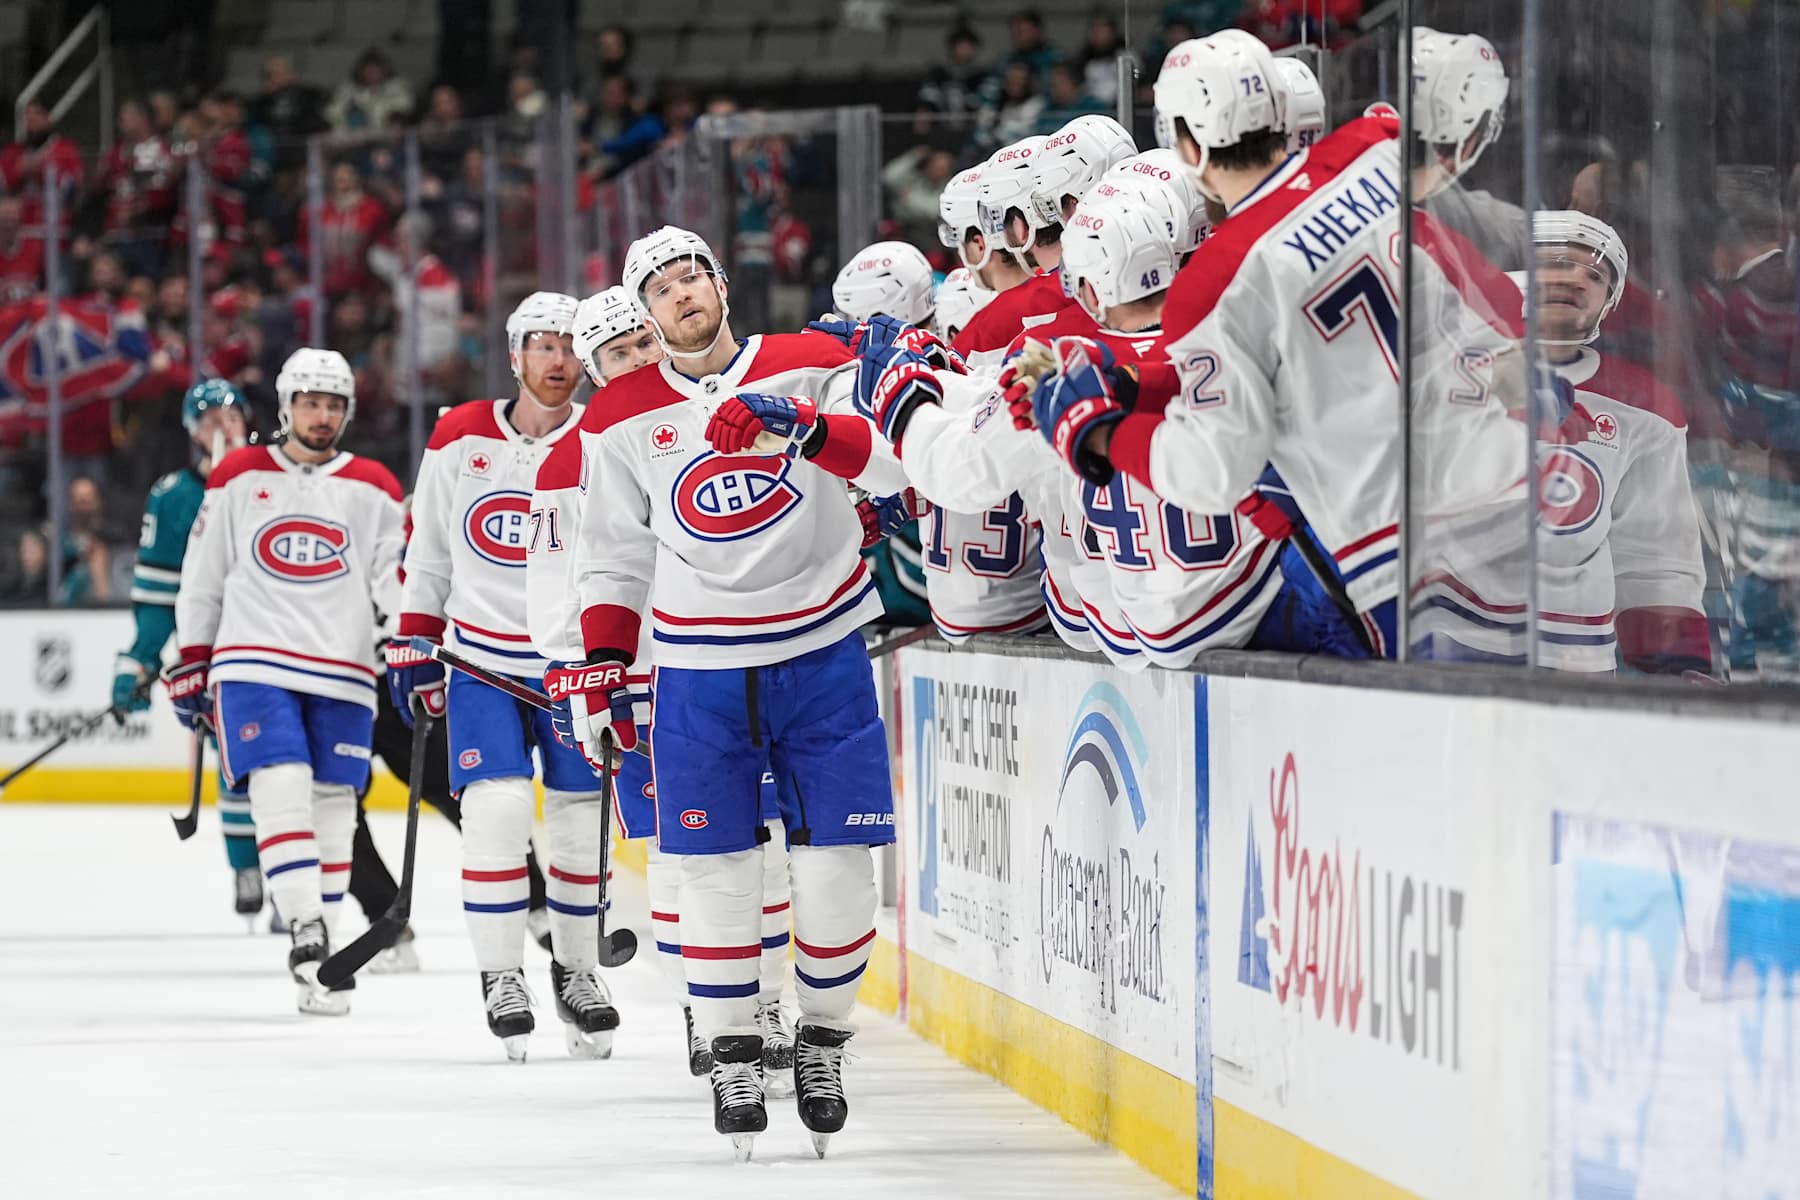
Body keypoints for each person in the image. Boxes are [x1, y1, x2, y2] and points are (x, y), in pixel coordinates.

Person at [547, 228, 904, 1157]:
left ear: (720, 284)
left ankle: (821, 1042)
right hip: (697, 672)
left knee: (834, 871)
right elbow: (614, 557)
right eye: (658, 288)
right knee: (711, 870)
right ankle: (736, 1050)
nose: (680, 295)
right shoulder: (618, 413)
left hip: (822, 649)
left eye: (691, 276)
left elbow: (895, 468)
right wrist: (604, 670)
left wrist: (809, 428)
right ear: (646, 313)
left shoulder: (807, 363)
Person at [1026, 30, 1524, 658]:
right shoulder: (1365, 154)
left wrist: (1099, 435)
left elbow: (1212, 469)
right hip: (1512, 483)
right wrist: (1137, 382)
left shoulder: (1218, 279)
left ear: (1185, 142)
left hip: (1401, 551)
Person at [530, 286, 799, 1083]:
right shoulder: (571, 457)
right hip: (641, 678)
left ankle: (771, 1004)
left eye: (644, 345)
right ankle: (705, 1008)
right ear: (591, 370)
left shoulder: (713, 418)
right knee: (685, 854)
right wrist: (575, 672)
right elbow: (556, 587)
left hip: (735, 658)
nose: (637, 364)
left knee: (773, 845)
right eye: (615, 356)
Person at [387, 292, 618, 1061]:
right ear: (516, 356)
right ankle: (500, 974)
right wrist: (415, 636)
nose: (559, 362)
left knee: (581, 826)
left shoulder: (607, 435)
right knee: (496, 810)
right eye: (543, 347)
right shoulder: (458, 434)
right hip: (480, 662)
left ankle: (579, 972)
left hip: (574, 668)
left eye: (570, 348)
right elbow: (428, 548)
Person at [167, 348, 404, 1015]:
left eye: (334, 404)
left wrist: (415, 632)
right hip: (252, 659)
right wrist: (192, 656)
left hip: (347, 665)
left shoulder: (376, 485)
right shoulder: (239, 472)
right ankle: (305, 927)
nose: (322, 415)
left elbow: (395, 577)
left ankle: (319, 940)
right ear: (286, 406)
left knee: (333, 803)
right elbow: (204, 572)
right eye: (311, 402)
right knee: (280, 783)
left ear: (347, 412)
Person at [1529, 211, 1709, 674]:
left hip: (1575, 662)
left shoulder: (1644, 407)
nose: (1575, 278)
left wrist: (1677, 670)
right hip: (1447, 647)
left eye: (1595, 275)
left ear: (1609, 305)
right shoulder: (1443, 374)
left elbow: (1655, 558)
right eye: (1555, 262)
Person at [114, 380, 262, 918]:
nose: (221, 425)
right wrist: (140, 660)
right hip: (220, 653)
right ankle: (247, 865)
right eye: (207, 418)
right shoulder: (174, 495)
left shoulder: (278, 476)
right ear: (192, 433)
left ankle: (295, 869)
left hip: (288, 640)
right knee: (238, 761)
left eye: (229, 414)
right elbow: (157, 595)